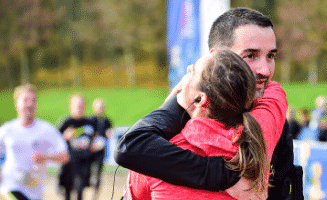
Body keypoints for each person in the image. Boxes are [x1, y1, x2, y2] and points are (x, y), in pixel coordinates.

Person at [115, 7, 300, 200]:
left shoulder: (154, 153)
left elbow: (130, 148)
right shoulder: (271, 109)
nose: (265, 70)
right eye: (250, 56)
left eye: (271, 56)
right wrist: (228, 176)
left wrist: (175, 103)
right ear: (217, 57)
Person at [126, 49, 281, 199]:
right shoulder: (259, 136)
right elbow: (273, 90)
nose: (187, 69)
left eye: (191, 71)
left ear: (200, 100)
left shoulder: (151, 160)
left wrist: (169, 109)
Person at [0, 84, 69, 200]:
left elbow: (65, 156)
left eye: (33, 100)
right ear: (16, 103)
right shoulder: (7, 130)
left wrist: (46, 157)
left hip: (35, 190)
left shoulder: (47, 130)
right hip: (10, 184)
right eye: (25, 100)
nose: (30, 104)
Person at [58, 94, 96, 200]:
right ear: (71, 107)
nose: (79, 108)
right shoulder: (65, 122)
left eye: (81, 105)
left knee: (80, 188)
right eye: (77, 105)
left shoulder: (90, 123)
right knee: (67, 188)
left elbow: (96, 139)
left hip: (84, 161)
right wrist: (65, 137)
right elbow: (55, 141)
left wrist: (95, 145)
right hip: (69, 162)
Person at [88, 98, 113, 199]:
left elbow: (110, 133)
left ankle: (95, 195)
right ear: (94, 108)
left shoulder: (107, 120)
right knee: (87, 172)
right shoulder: (90, 120)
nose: (100, 109)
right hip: (90, 151)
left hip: (101, 152)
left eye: (102, 107)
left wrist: (109, 134)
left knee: (98, 174)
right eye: (99, 107)